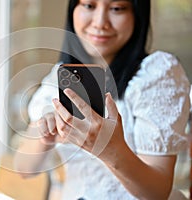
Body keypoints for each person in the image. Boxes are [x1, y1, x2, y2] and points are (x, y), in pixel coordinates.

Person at [14, 0, 191, 199]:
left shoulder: (157, 73)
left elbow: (157, 192)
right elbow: (24, 168)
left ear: (137, 14)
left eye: (116, 8)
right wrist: (45, 136)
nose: (100, 23)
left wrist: (110, 150)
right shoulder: (61, 78)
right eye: (89, 5)